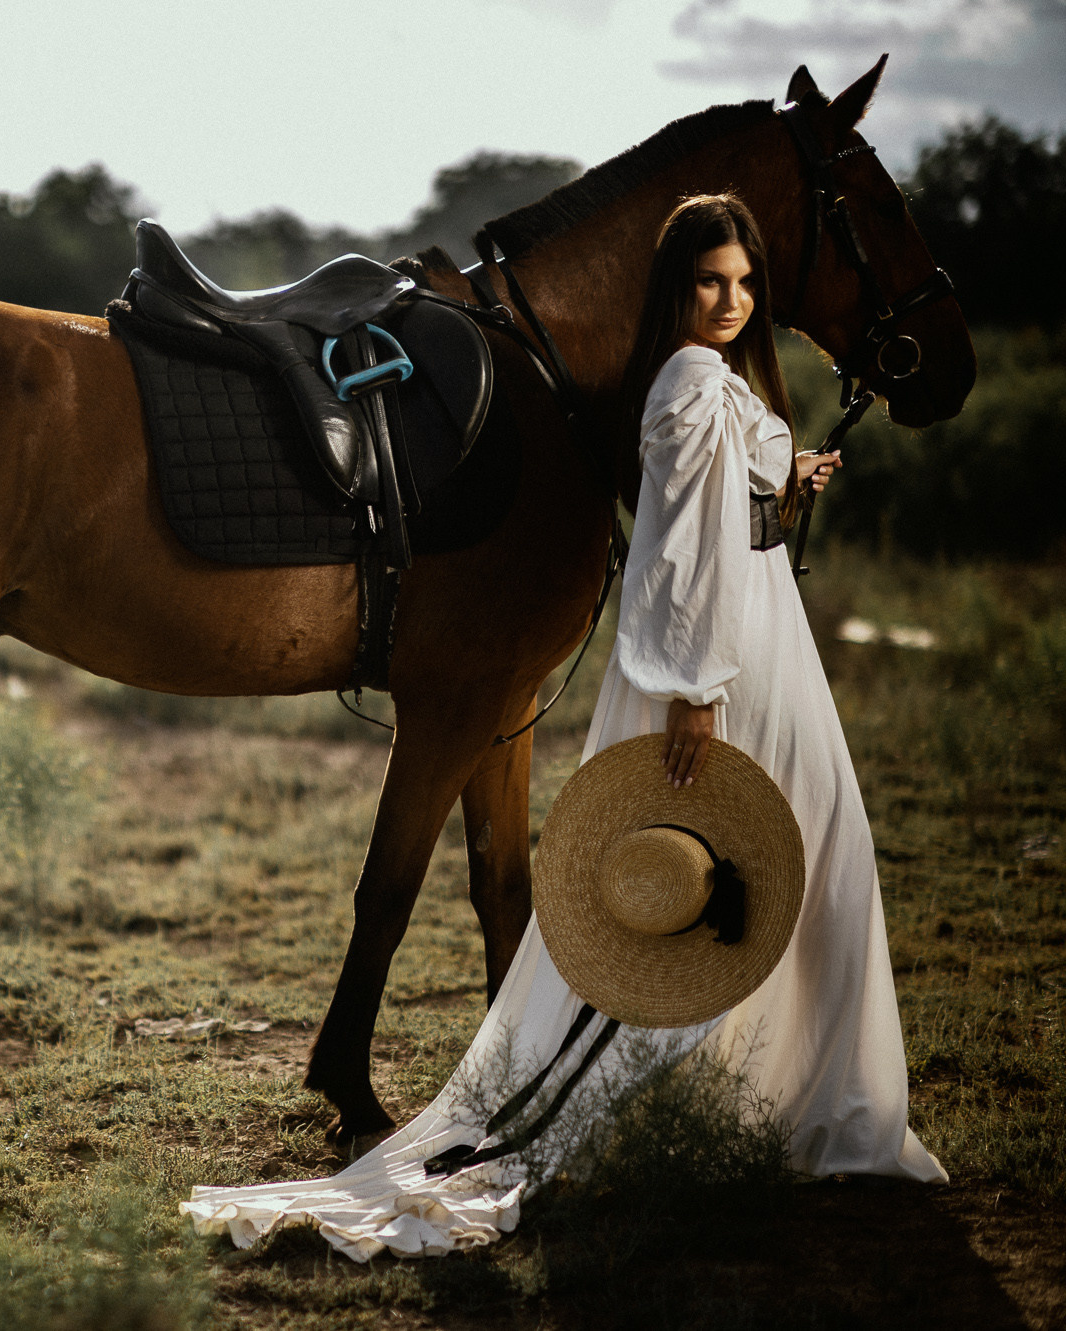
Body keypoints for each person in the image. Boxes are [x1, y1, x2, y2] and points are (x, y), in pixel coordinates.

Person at [181, 194, 944, 1261]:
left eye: (740, 283)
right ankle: (795, 1102)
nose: (726, 302)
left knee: (815, 861)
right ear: (672, 290)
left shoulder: (714, 379)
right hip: (723, 658)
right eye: (704, 283)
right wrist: (693, 684)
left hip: (765, 647)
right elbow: (676, 545)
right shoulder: (685, 380)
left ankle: (781, 1093)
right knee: (801, 864)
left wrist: (791, 473)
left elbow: (731, 501)